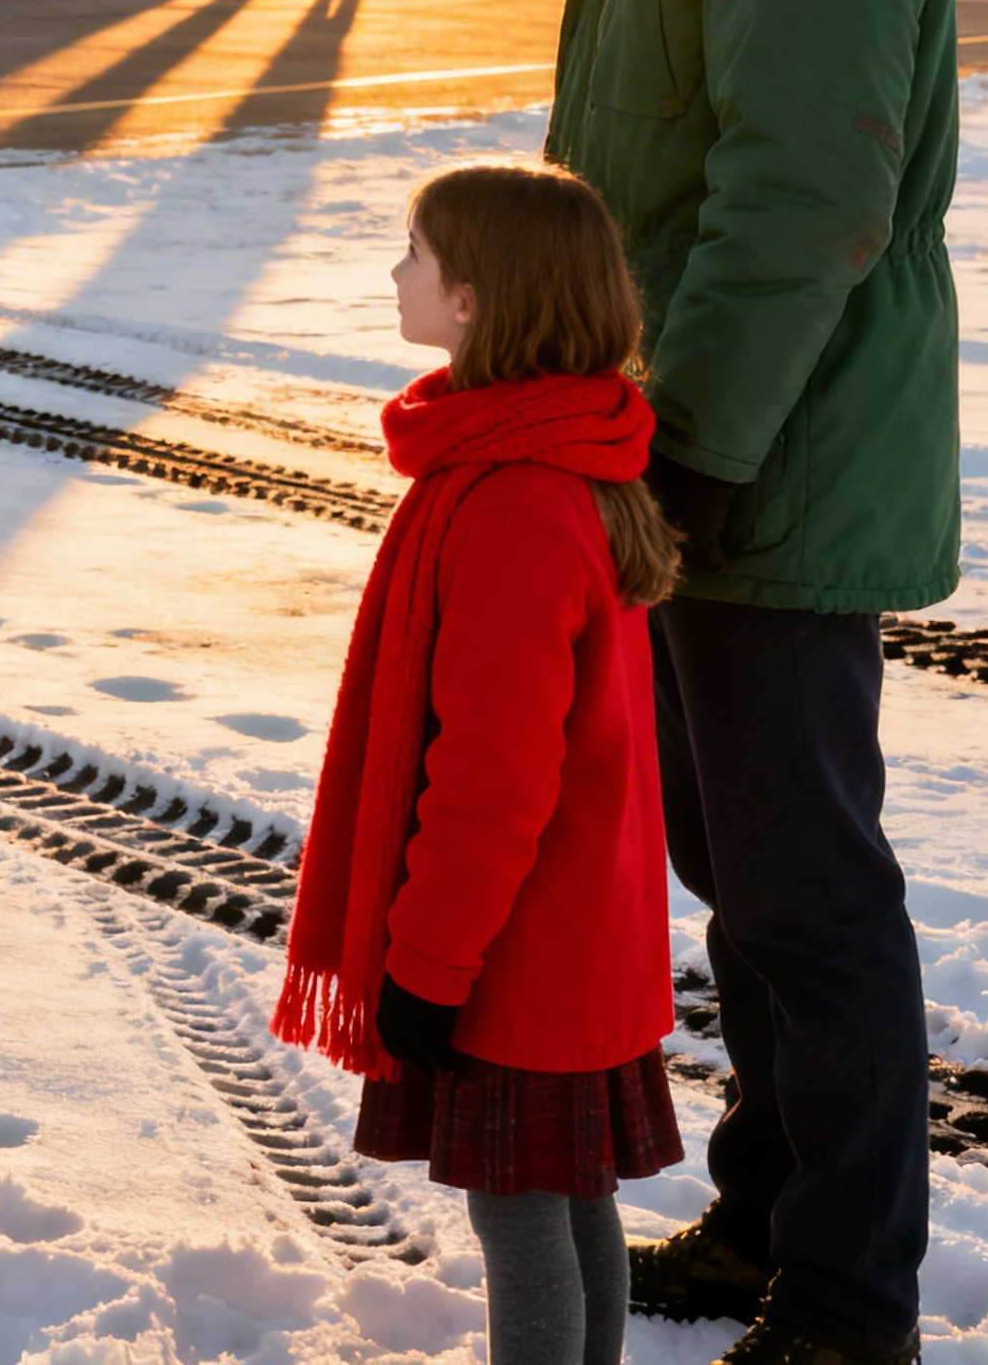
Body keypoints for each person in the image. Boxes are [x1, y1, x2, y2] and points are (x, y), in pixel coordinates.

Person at [543, 0, 957, 1364]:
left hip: (760, 450)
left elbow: (809, 179)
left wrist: (689, 449)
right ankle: (766, 1204)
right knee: (732, 864)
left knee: (804, 883)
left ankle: (849, 1294)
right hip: (677, 438)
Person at [274, 163, 682, 1365]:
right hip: (580, 932)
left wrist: (432, 962)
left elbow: (494, 777)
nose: (396, 272)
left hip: (518, 948)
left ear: (477, 296)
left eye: (415, 251)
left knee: (522, 1223)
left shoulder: (510, 500)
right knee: (575, 1200)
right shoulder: (563, 451)